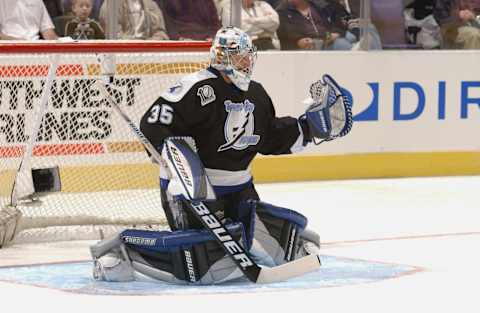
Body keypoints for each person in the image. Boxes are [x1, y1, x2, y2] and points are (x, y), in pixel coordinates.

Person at [90, 26, 353, 284]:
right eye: (241, 56)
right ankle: (121, 249)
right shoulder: (195, 87)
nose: (247, 61)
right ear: (222, 57)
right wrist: (177, 164)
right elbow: (153, 124)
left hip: (240, 187)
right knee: (207, 260)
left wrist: (308, 129)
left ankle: (292, 242)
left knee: (250, 239)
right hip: (193, 187)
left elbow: (269, 136)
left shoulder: (257, 93)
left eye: (249, 55)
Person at [276, 0, 353, 50]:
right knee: (343, 44)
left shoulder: (321, 6)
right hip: (303, 48)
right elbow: (285, 35)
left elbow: (338, 23)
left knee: (348, 39)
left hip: (326, 41)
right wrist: (297, 41)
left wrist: (333, 35)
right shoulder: (282, 11)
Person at [98, 0, 168, 40]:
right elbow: (114, 36)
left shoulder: (151, 5)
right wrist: (137, 44)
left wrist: (149, 43)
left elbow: (161, 32)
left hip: (150, 54)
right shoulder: (111, 5)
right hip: (121, 56)